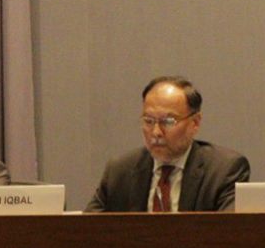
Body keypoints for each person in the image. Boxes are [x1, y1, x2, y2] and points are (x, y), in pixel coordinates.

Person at [86, 77, 249, 212]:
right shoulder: (120, 171)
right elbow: (87, 231)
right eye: (149, 121)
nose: (156, 132)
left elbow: (227, 234)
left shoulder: (223, 171)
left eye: (168, 121)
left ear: (195, 123)